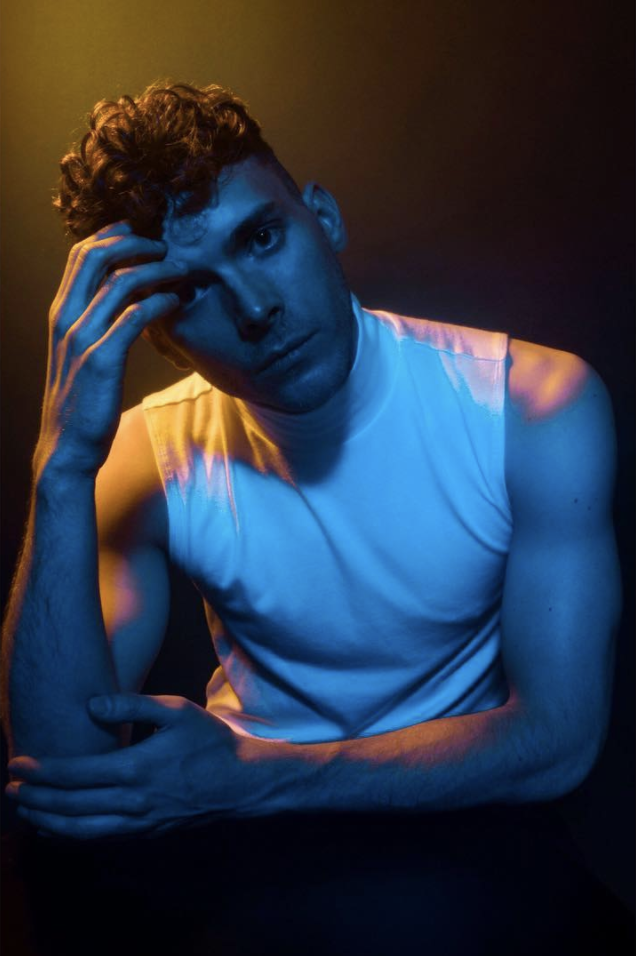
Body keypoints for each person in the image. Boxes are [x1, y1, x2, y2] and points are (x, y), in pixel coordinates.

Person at [1, 82, 629, 954]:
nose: (257, 309)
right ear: (161, 337)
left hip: (460, 813)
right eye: (192, 291)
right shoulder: (143, 456)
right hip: (242, 840)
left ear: (323, 218)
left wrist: (255, 778)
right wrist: (61, 465)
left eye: (262, 238)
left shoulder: (531, 407)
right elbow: (62, 778)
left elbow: (558, 740)